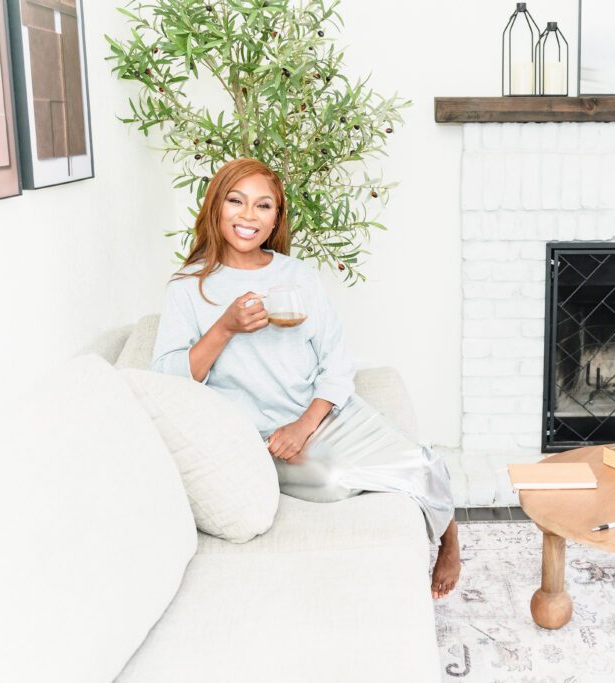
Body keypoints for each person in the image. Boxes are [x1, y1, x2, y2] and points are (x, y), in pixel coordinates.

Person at [150, 158, 460, 598]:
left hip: (321, 413)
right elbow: (166, 379)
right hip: (259, 437)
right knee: (332, 483)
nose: (248, 216)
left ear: (276, 217)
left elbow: (336, 362)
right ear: (216, 207)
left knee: (423, 464)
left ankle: (450, 539)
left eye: (263, 206)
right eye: (236, 201)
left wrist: (305, 424)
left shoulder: (296, 276)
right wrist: (225, 328)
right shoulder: (188, 288)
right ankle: (397, 491)